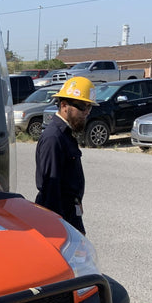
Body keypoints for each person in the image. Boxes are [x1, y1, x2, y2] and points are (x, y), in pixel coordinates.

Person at [34, 76, 98, 234]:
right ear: (64, 105)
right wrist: (60, 231)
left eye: (89, 108)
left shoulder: (66, 135)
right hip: (60, 220)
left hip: (70, 213)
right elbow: (51, 190)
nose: (87, 113)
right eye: (83, 107)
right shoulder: (53, 138)